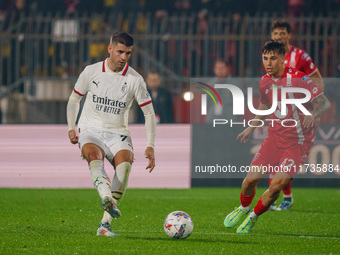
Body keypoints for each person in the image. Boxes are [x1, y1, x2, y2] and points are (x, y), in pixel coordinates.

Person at [224, 40, 330, 234]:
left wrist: (312, 115)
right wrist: (251, 128)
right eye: (265, 58)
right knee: (249, 181)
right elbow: (265, 105)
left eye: (273, 58)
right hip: (273, 139)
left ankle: (252, 217)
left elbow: (324, 104)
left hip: (297, 143)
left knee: (276, 185)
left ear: (283, 59)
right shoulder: (264, 80)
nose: (268, 63)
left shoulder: (300, 79)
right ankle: (243, 208)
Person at [66, 32, 156, 237]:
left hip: (118, 133)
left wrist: (150, 145)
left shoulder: (135, 79)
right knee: (93, 156)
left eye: (128, 53)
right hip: (90, 129)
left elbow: (149, 113)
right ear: (110, 49)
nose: (124, 57)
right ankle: (106, 196)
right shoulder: (91, 71)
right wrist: (71, 127)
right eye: (120, 51)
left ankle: (104, 226)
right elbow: (74, 100)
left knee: (125, 166)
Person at [269, 19, 325, 210]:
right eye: (276, 33)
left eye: (282, 33)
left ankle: (284, 198)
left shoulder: (301, 56)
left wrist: (316, 111)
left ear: (289, 35)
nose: (279, 36)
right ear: (272, 36)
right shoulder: (270, 57)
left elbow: (318, 80)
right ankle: (283, 197)